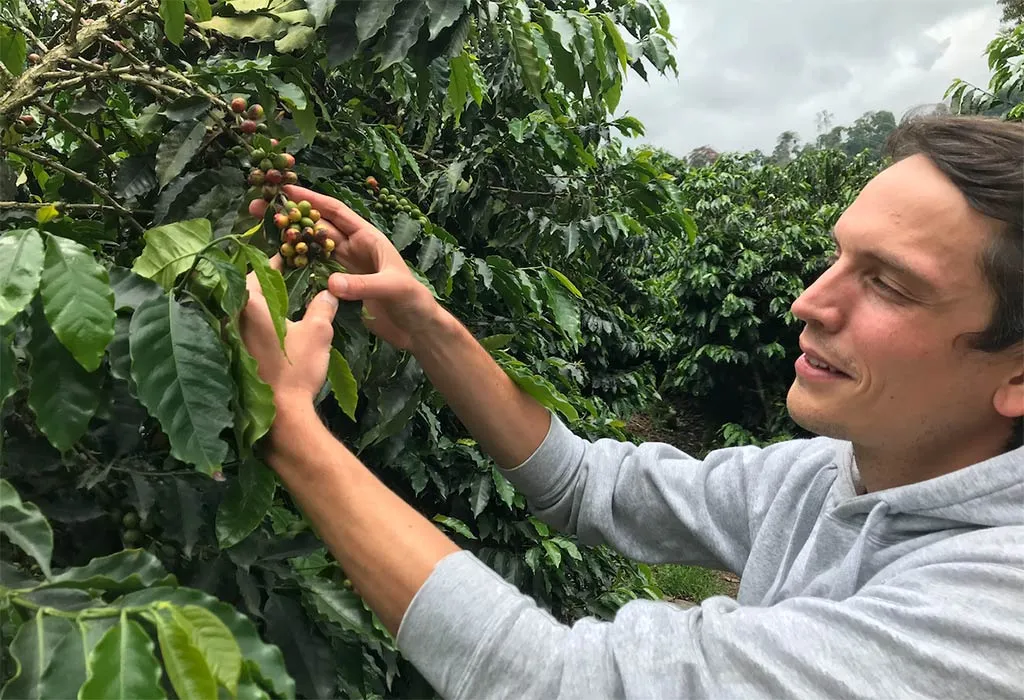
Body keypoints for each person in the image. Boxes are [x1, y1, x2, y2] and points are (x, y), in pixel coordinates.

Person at [240, 115, 1024, 699]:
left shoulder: (991, 616)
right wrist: (425, 321)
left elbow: (554, 683)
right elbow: (590, 485)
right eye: (839, 256)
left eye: (889, 284)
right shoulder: (826, 476)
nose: (809, 302)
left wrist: (289, 424)